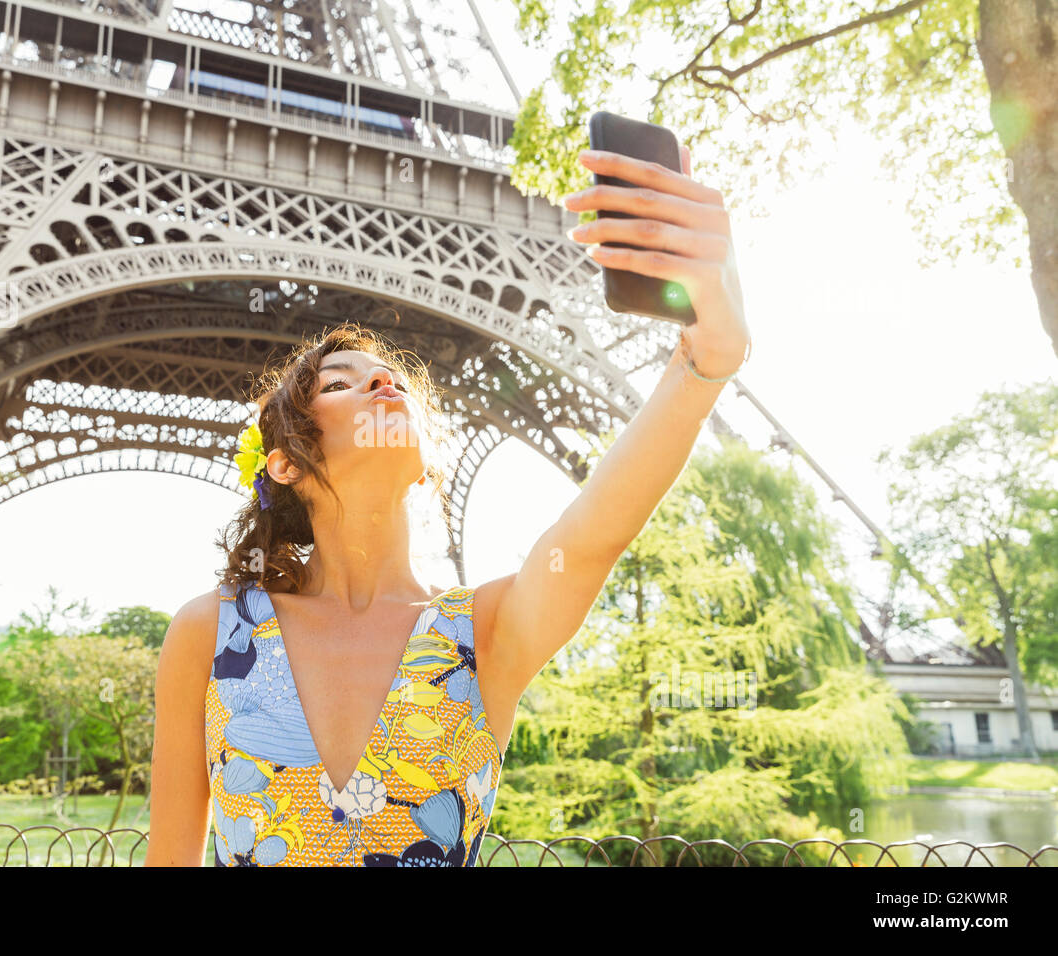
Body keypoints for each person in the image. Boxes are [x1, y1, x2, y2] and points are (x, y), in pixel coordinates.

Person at [145, 144, 752, 866]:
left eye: (390, 378)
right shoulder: (210, 634)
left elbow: (591, 536)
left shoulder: (485, 633)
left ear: (428, 465)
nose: (382, 386)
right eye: (341, 384)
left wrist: (708, 353)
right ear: (284, 464)